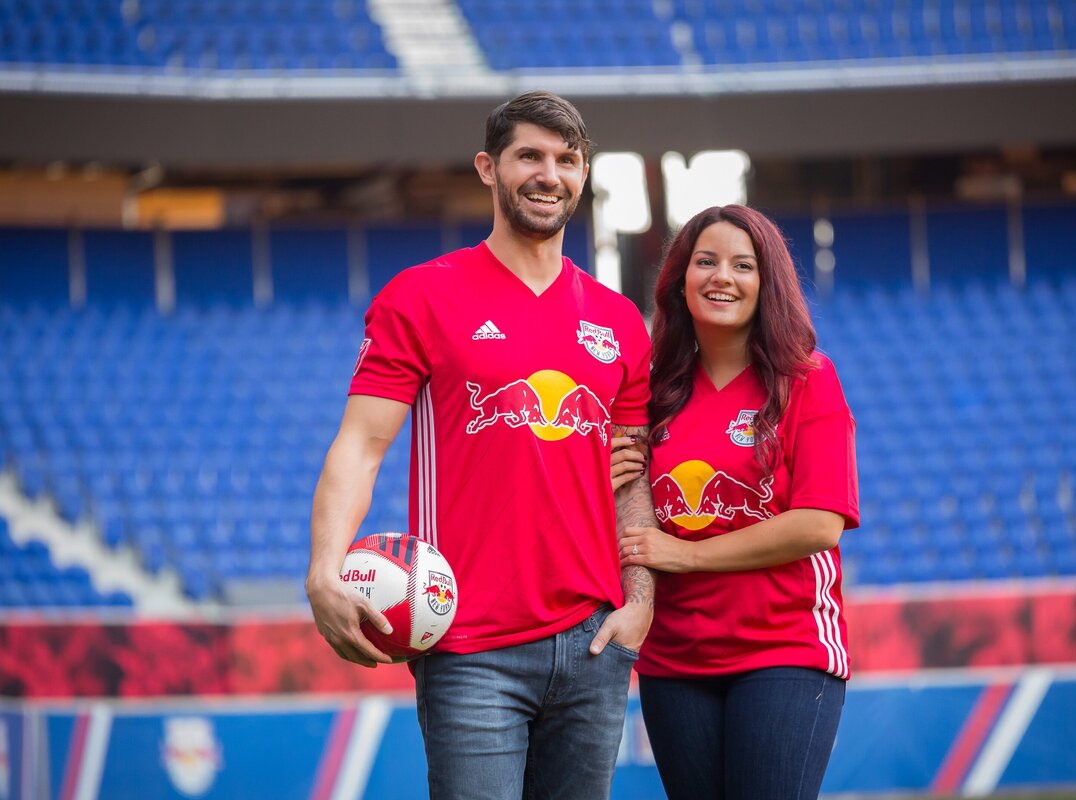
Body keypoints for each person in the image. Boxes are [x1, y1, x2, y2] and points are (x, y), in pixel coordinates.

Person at [305, 91, 658, 800]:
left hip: (594, 645)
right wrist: (323, 572)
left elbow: (632, 477)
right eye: (529, 155)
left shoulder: (620, 322)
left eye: (566, 159)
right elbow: (360, 447)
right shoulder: (422, 297)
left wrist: (640, 600)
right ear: (488, 168)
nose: (549, 174)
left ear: (584, 174)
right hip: (472, 647)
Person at [611, 204, 859, 800]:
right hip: (674, 661)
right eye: (706, 261)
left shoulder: (807, 380)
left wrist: (688, 556)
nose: (722, 276)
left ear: (766, 283)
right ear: (680, 280)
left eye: (743, 265)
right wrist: (610, 478)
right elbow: (629, 519)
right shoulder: (650, 395)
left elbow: (820, 524)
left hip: (785, 650)